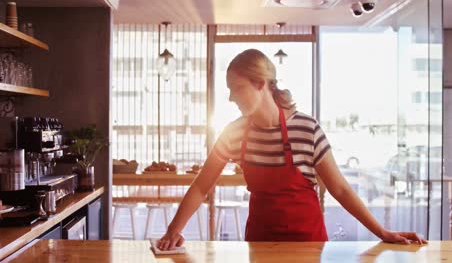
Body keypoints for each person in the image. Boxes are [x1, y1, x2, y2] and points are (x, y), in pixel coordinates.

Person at [156, 49, 426, 250]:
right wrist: (172, 231)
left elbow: (340, 189)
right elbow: (202, 185)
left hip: (308, 245)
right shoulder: (234, 133)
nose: (230, 97)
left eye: (236, 88)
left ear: (261, 85)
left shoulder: (307, 129)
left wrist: (382, 232)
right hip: (259, 244)